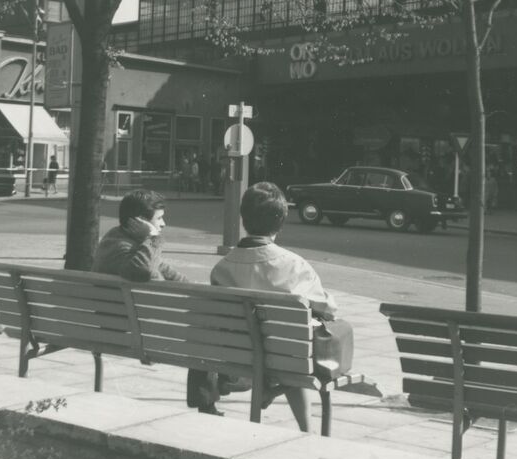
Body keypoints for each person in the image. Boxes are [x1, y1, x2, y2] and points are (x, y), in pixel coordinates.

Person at [189, 182, 338, 431]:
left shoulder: (222, 268)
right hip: (288, 358)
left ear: (244, 219)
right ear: (280, 222)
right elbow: (328, 309)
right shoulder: (294, 265)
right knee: (300, 343)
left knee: (281, 345)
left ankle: (268, 389)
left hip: (241, 357)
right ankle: (306, 428)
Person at [92, 189, 188, 283]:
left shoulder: (124, 238)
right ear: (141, 221)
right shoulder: (117, 246)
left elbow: (162, 267)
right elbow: (143, 271)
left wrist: (189, 285)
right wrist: (153, 237)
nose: (163, 223)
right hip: (139, 298)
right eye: (159, 218)